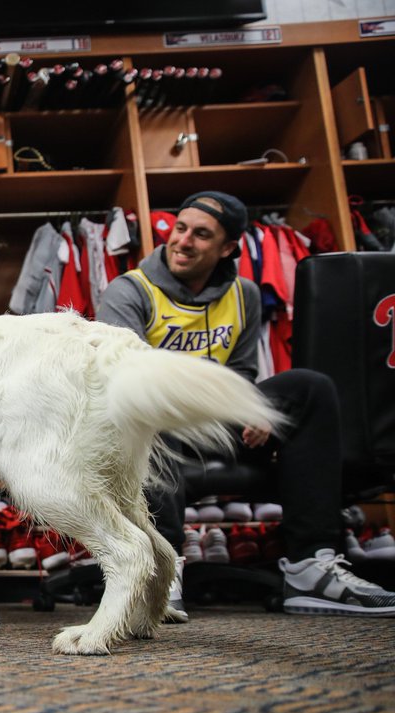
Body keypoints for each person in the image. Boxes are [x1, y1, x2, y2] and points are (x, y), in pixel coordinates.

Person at [96, 190, 395, 618]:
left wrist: (250, 408)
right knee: (146, 418)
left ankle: (311, 565)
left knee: (309, 387)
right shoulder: (130, 290)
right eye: (180, 228)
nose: (182, 241)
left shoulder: (245, 294)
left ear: (228, 247)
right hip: (157, 425)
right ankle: (159, 566)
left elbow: (240, 373)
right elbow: (121, 380)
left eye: (201, 235)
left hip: (215, 421)